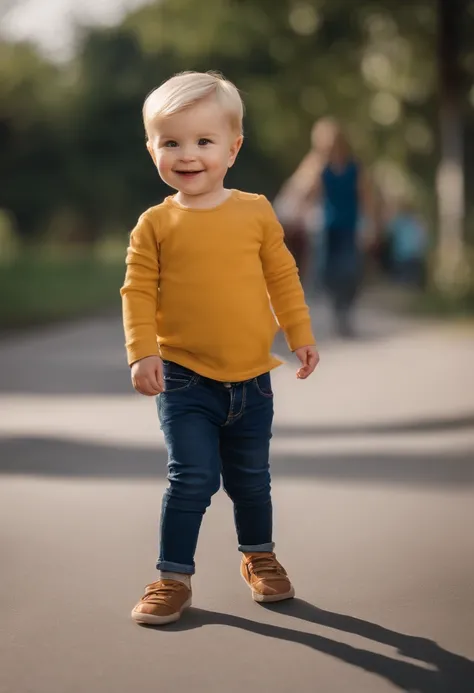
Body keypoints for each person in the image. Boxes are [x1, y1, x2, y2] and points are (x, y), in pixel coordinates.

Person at [121, 71, 319, 626]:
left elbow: (283, 278)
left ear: (232, 148)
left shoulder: (255, 211)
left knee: (252, 478)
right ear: (152, 148)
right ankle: (171, 577)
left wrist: (299, 335)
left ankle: (259, 556)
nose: (188, 155)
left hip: (252, 380)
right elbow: (136, 292)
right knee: (192, 477)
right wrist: (142, 352)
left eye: (203, 141)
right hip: (184, 378)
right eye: (171, 142)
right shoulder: (154, 225)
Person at [281, 119, 376, 337]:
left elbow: (366, 196)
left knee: (351, 271)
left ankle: (346, 311)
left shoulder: (354, 166)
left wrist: (370, 224)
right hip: (326, 228)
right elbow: (301, 190)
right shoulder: (316, 165)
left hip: (350, 227)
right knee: (328, 272)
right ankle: (337, 312)